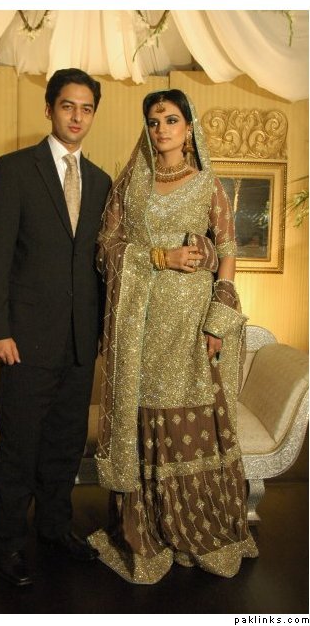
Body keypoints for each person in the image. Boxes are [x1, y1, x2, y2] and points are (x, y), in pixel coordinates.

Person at [88, 89, 258, 584]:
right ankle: (147, 530)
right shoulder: (132, 183)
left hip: (189, 321)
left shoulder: (207, 184)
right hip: (138, 324)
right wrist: (160, 257)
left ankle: (194, 526)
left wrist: (217, 319)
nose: (161, 129)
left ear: (189, 128)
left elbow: (228, 249)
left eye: (171, 120)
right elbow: (106, 246)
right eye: (154, 121)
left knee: (192, 413)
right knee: (143, 413)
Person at [0, 68, 112, 586]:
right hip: (24, 342)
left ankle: (54, 529)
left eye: (86, 108)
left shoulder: (100, 181)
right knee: (19, 446)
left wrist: (100, 335)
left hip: (79, 343)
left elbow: (98, 264)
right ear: (50, 109)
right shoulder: (14, 170)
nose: (77, 117)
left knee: (63, 445)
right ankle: (6, 542)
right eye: (67, 106)